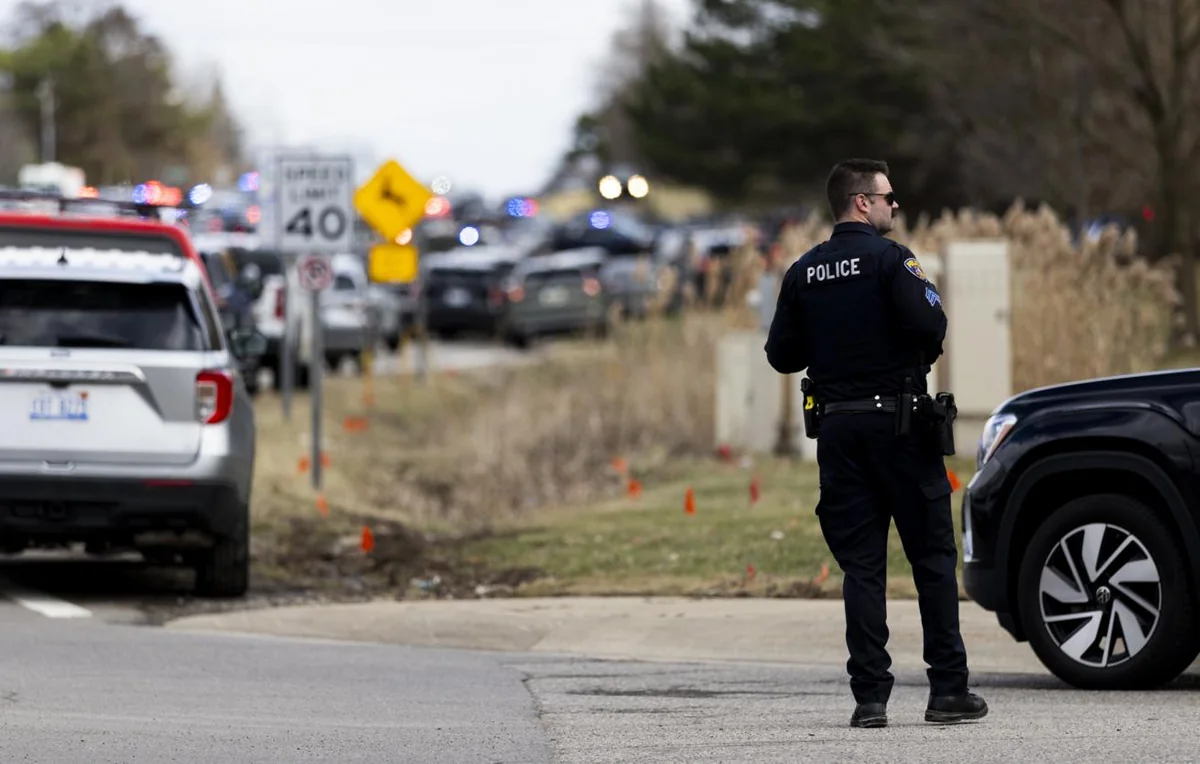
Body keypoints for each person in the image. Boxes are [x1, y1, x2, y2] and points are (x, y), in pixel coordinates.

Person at [764, 158, 988, 729]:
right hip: (901, 428)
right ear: (861, 202)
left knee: (861, 568)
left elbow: (782, 355)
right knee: (932, 559)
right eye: (889, 197)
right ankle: (947, 691)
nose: (895, 205)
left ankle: (869, 698)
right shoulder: (894, 260)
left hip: (838, 432)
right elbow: (931, 327)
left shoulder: (803, 271)